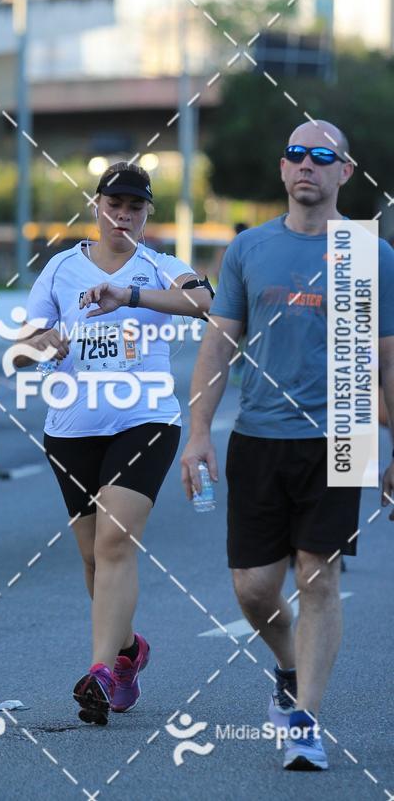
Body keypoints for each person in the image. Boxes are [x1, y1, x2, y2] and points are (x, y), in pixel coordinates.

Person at [180, 120, 394, 770]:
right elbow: (219, 344)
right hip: (259, 435)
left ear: (344, 172)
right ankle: (288, 665)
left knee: (317, 577)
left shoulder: (369, 255)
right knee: (252, 587)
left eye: (322, 156)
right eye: (297, 155)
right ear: (282, 170)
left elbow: (387, 362)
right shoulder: (248, 249)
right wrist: (197, 434)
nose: (308, 165)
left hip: (342, 430)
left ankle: (306, 720)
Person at [14, 161, 213, 725]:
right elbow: (25, 341)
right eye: (114, 205)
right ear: (96, 206)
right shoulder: (59, 269)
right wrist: (42, 341)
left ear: (147, 214)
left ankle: (100, 673)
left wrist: (130, 295)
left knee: (115, 545)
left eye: (135, 207)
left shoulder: (160, 266)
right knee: (93, 560)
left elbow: (205, 302)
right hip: (72, 428)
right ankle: (127, 652)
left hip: (145, 421)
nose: (123, 215)